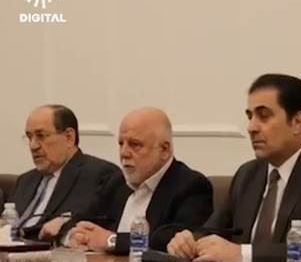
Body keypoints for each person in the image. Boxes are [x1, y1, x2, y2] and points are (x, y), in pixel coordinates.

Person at [166, 74, 301, 262]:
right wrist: (190, 241)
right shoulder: (247, 174)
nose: (251, 127)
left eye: (264, 116)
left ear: (297, 122)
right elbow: (214, 231)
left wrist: (242, 253)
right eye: (250, 116)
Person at [66, 107, 213, 254]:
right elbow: (83, 219)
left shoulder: (192, 186)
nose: (124, 153)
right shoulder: (116, 182)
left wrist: (112, 241)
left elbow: (172, 241)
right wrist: (75, 235)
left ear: (164, 149)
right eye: (121, 143)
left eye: (135, 144)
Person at [11, 105, 118, 239]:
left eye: (41, 136)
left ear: (69, 137)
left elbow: (99, 227)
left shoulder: (101, 176)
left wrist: (64, 227)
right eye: (29, 137)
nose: (33, 146)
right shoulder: (25, 181)